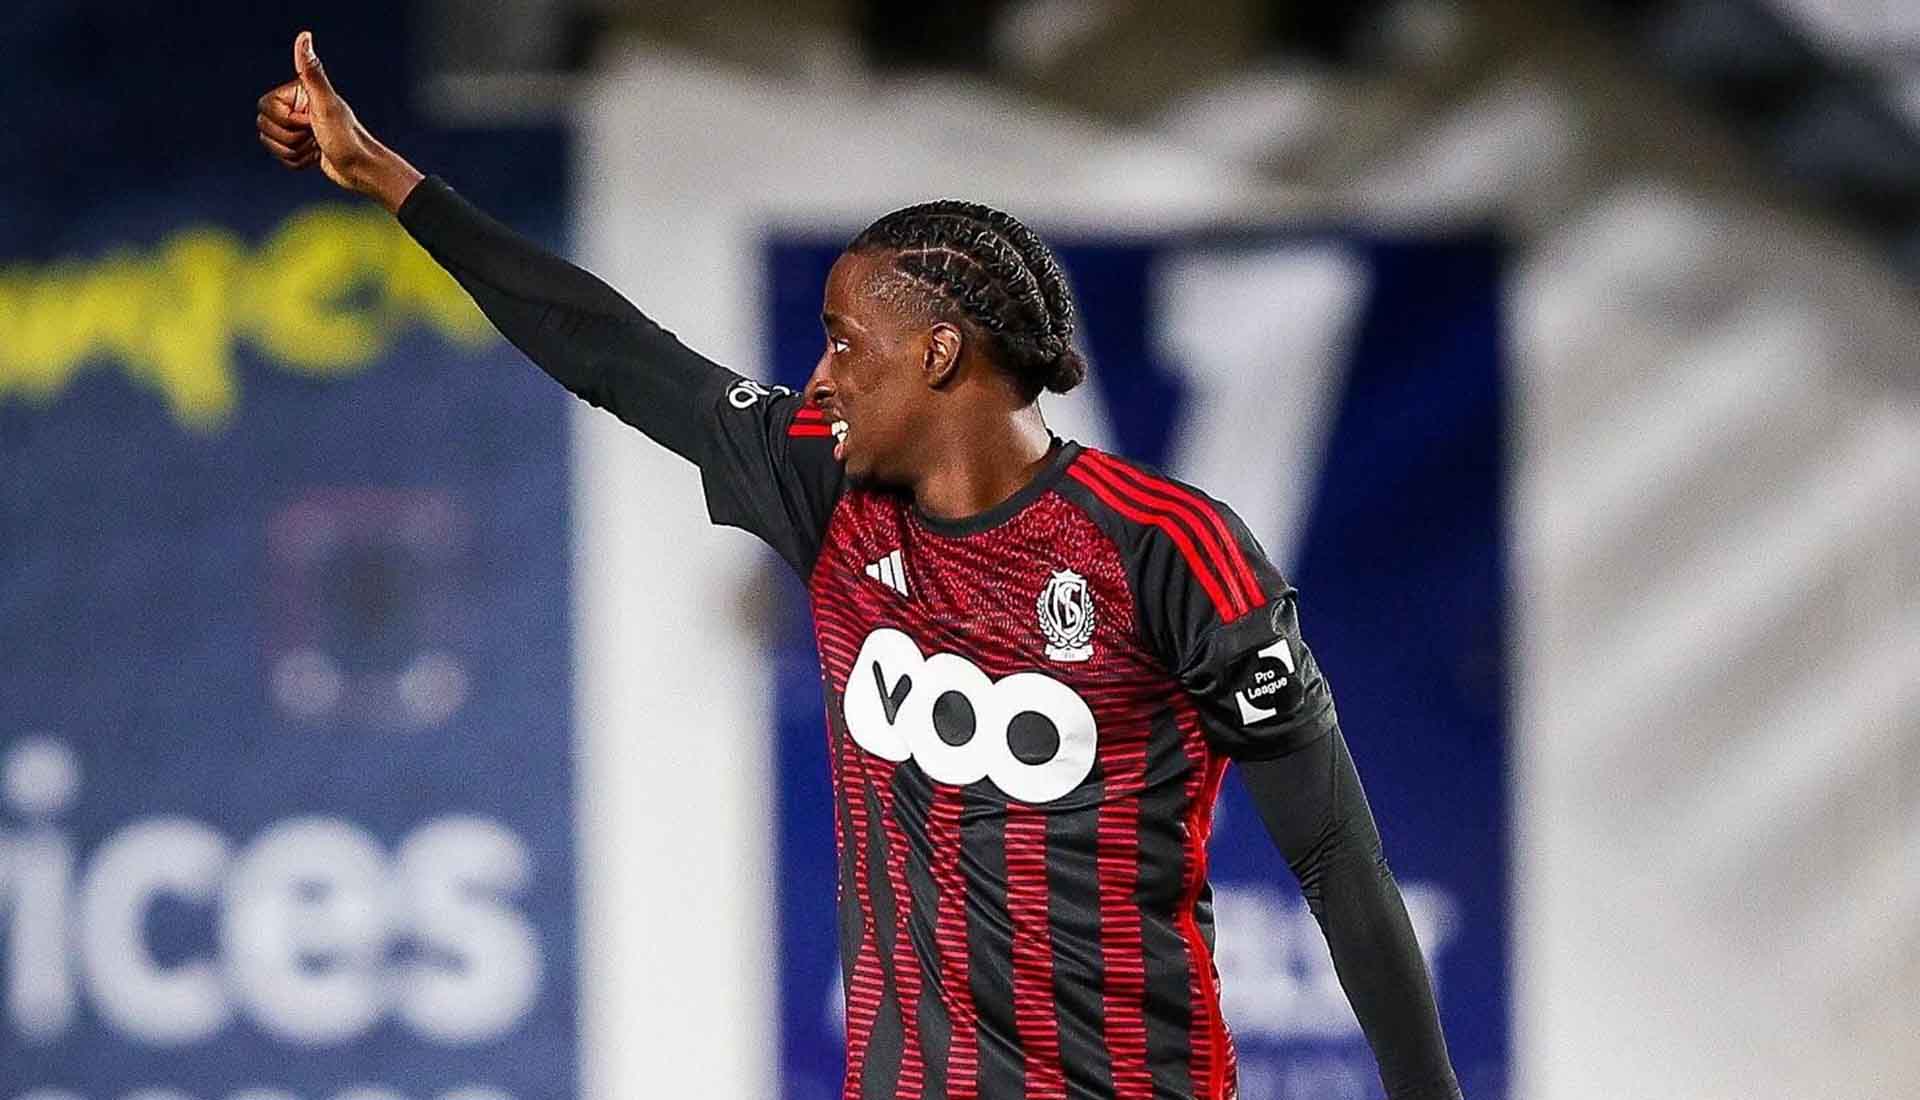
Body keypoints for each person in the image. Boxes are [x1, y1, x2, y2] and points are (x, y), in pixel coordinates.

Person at [257, 30, 1464, 1100]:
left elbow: (1333, 855)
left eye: (845, 344)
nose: (819, 376)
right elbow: (611, 349)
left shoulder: (1170, 548)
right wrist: (393, 181)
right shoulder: (823, 488)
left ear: (938, 355)